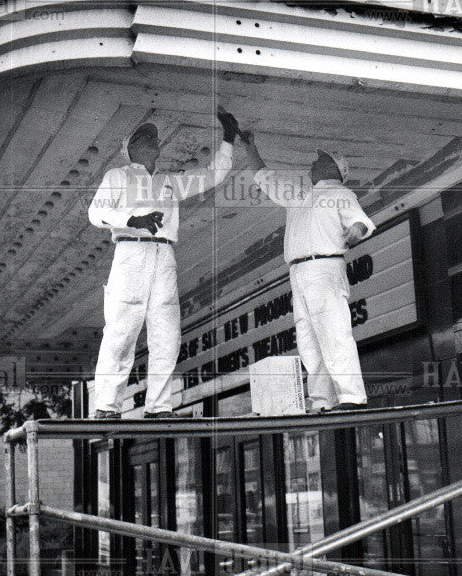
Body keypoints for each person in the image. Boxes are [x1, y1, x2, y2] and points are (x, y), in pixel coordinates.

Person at [87, 111, 240, 419]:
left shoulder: (170, 181)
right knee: (121, 331)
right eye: (144, 137)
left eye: (154, 137)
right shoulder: (119, 176)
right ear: (130, 148)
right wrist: (133, 220)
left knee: (167, 335)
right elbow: (96, 213)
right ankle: (107, 406)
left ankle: (159, 406)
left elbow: (213, 175)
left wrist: (227, 140)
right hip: (131, 253)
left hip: (164, 257)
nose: (153, 140)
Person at [240, 130, 375, 412]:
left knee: (334, 331)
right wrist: (250, 148)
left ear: (333, 169)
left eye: (320, 160)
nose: (312, 165)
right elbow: (265, 176)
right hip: (299, 271)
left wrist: (355, 230)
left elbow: (360, 221)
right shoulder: (298, 195)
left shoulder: (340, 192)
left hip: (325, 266)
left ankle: (352, 396)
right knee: (309, 340)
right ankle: (323, 400)